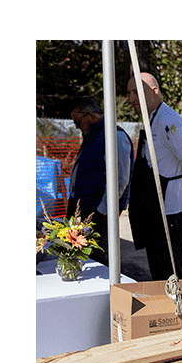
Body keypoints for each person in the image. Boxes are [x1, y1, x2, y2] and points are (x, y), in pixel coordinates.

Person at [126, 72, 182, 286]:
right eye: (129, 93)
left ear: (154, 91)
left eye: (136, 92)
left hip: (173, 212)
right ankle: (167, 308)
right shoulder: (152, 119)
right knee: (161, 274)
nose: (131, 99)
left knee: (173, 275)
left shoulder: (168, 119)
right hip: (158, 211)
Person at [66, 96, 134, 266]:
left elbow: (120, 179)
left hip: (99, 213)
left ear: (90, 116)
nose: (77, 127)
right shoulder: (93, 137)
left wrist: (101, 211)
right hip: (86, 210)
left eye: (77, 122)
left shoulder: (114, 136)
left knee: (98, 261)